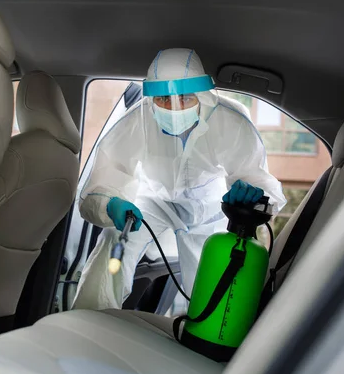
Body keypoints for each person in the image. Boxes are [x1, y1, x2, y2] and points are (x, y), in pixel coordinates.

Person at [73, 48, 286, 310]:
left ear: (201, 95)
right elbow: (105, 175)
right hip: (154, 200)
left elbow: (256, 178)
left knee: (211, 287)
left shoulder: (230, 120)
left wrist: (250, 196)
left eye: (184, 97)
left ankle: (201, 339)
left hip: (208, 207)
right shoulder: (138, 119)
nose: (172, 107)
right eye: (162, 98)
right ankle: (90, 318)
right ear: (151, 98)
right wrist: (109, 203)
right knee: (114, 239)